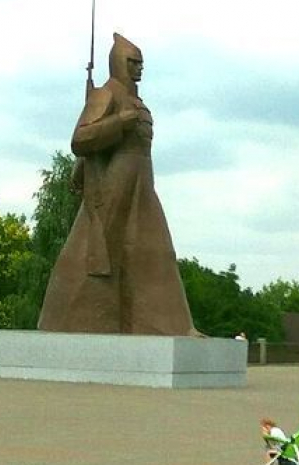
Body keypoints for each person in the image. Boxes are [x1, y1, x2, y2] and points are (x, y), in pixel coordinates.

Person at [38, 33, 198, 336]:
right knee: (99, 252)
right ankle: (73, 318)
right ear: (117, 63)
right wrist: (120, 122)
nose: (139, 68)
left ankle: (174, 325)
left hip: (141, 182)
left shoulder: (134, 99)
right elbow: (81, 139)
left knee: (156, 251)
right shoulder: (106, 95)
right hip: (116, 182)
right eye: (132, 62)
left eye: (141, 63)